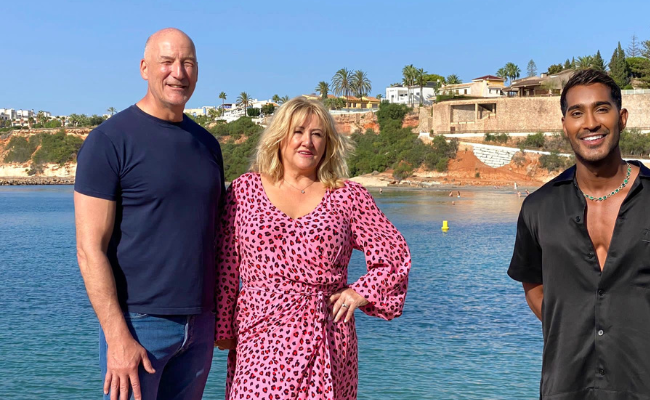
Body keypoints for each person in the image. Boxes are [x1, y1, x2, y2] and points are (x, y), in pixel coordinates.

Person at [507, 69, 650, 400]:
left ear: (622, 118)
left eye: (601, 109)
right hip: (565, 389)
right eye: (577, 113)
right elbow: (534, 289)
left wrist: (649, 347)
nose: (590, 123)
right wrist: (574, 333)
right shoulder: (539, 208)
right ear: (565, 125)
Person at [214, 96, 411, 400]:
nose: (307, 142)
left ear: (327, 143)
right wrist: (223, 328)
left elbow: (394, 254)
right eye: (298, 132)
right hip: (259, 334)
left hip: (328, 335)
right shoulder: (245, 190)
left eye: (317, 134)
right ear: (280, 137)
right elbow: (226, 266)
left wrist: (360, 292)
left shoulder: (347, 196)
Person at [74, 28, 224, 400]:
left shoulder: (207, 144)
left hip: (201, 325)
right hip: (139, 325)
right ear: (144, 68)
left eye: (188, 63)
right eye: (167, 62)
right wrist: (117, 337)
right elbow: (90, 249)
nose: (179, 73)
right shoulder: (109, 141)